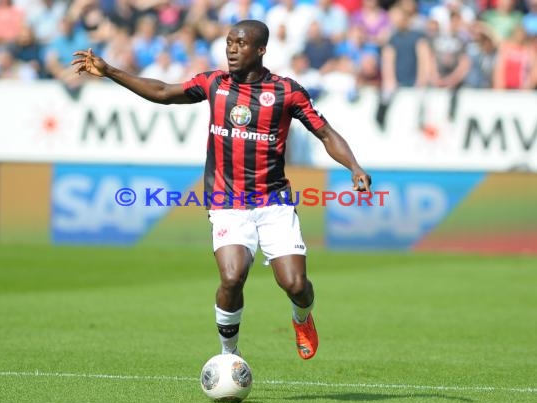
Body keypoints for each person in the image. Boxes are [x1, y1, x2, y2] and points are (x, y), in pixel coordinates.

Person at [72, 19, 371, 361]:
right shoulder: (214, 83)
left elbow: (326, 133)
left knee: (296, 285)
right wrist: (110, 70)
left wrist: (354, 166)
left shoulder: (287, 92)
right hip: (227, 201)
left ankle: (302, 318)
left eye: (241, 44)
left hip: (274, 202)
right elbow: (163, 93)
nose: (232, 49)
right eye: (229, 42)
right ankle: (229, 355)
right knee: (232, 277)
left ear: (261, 50)